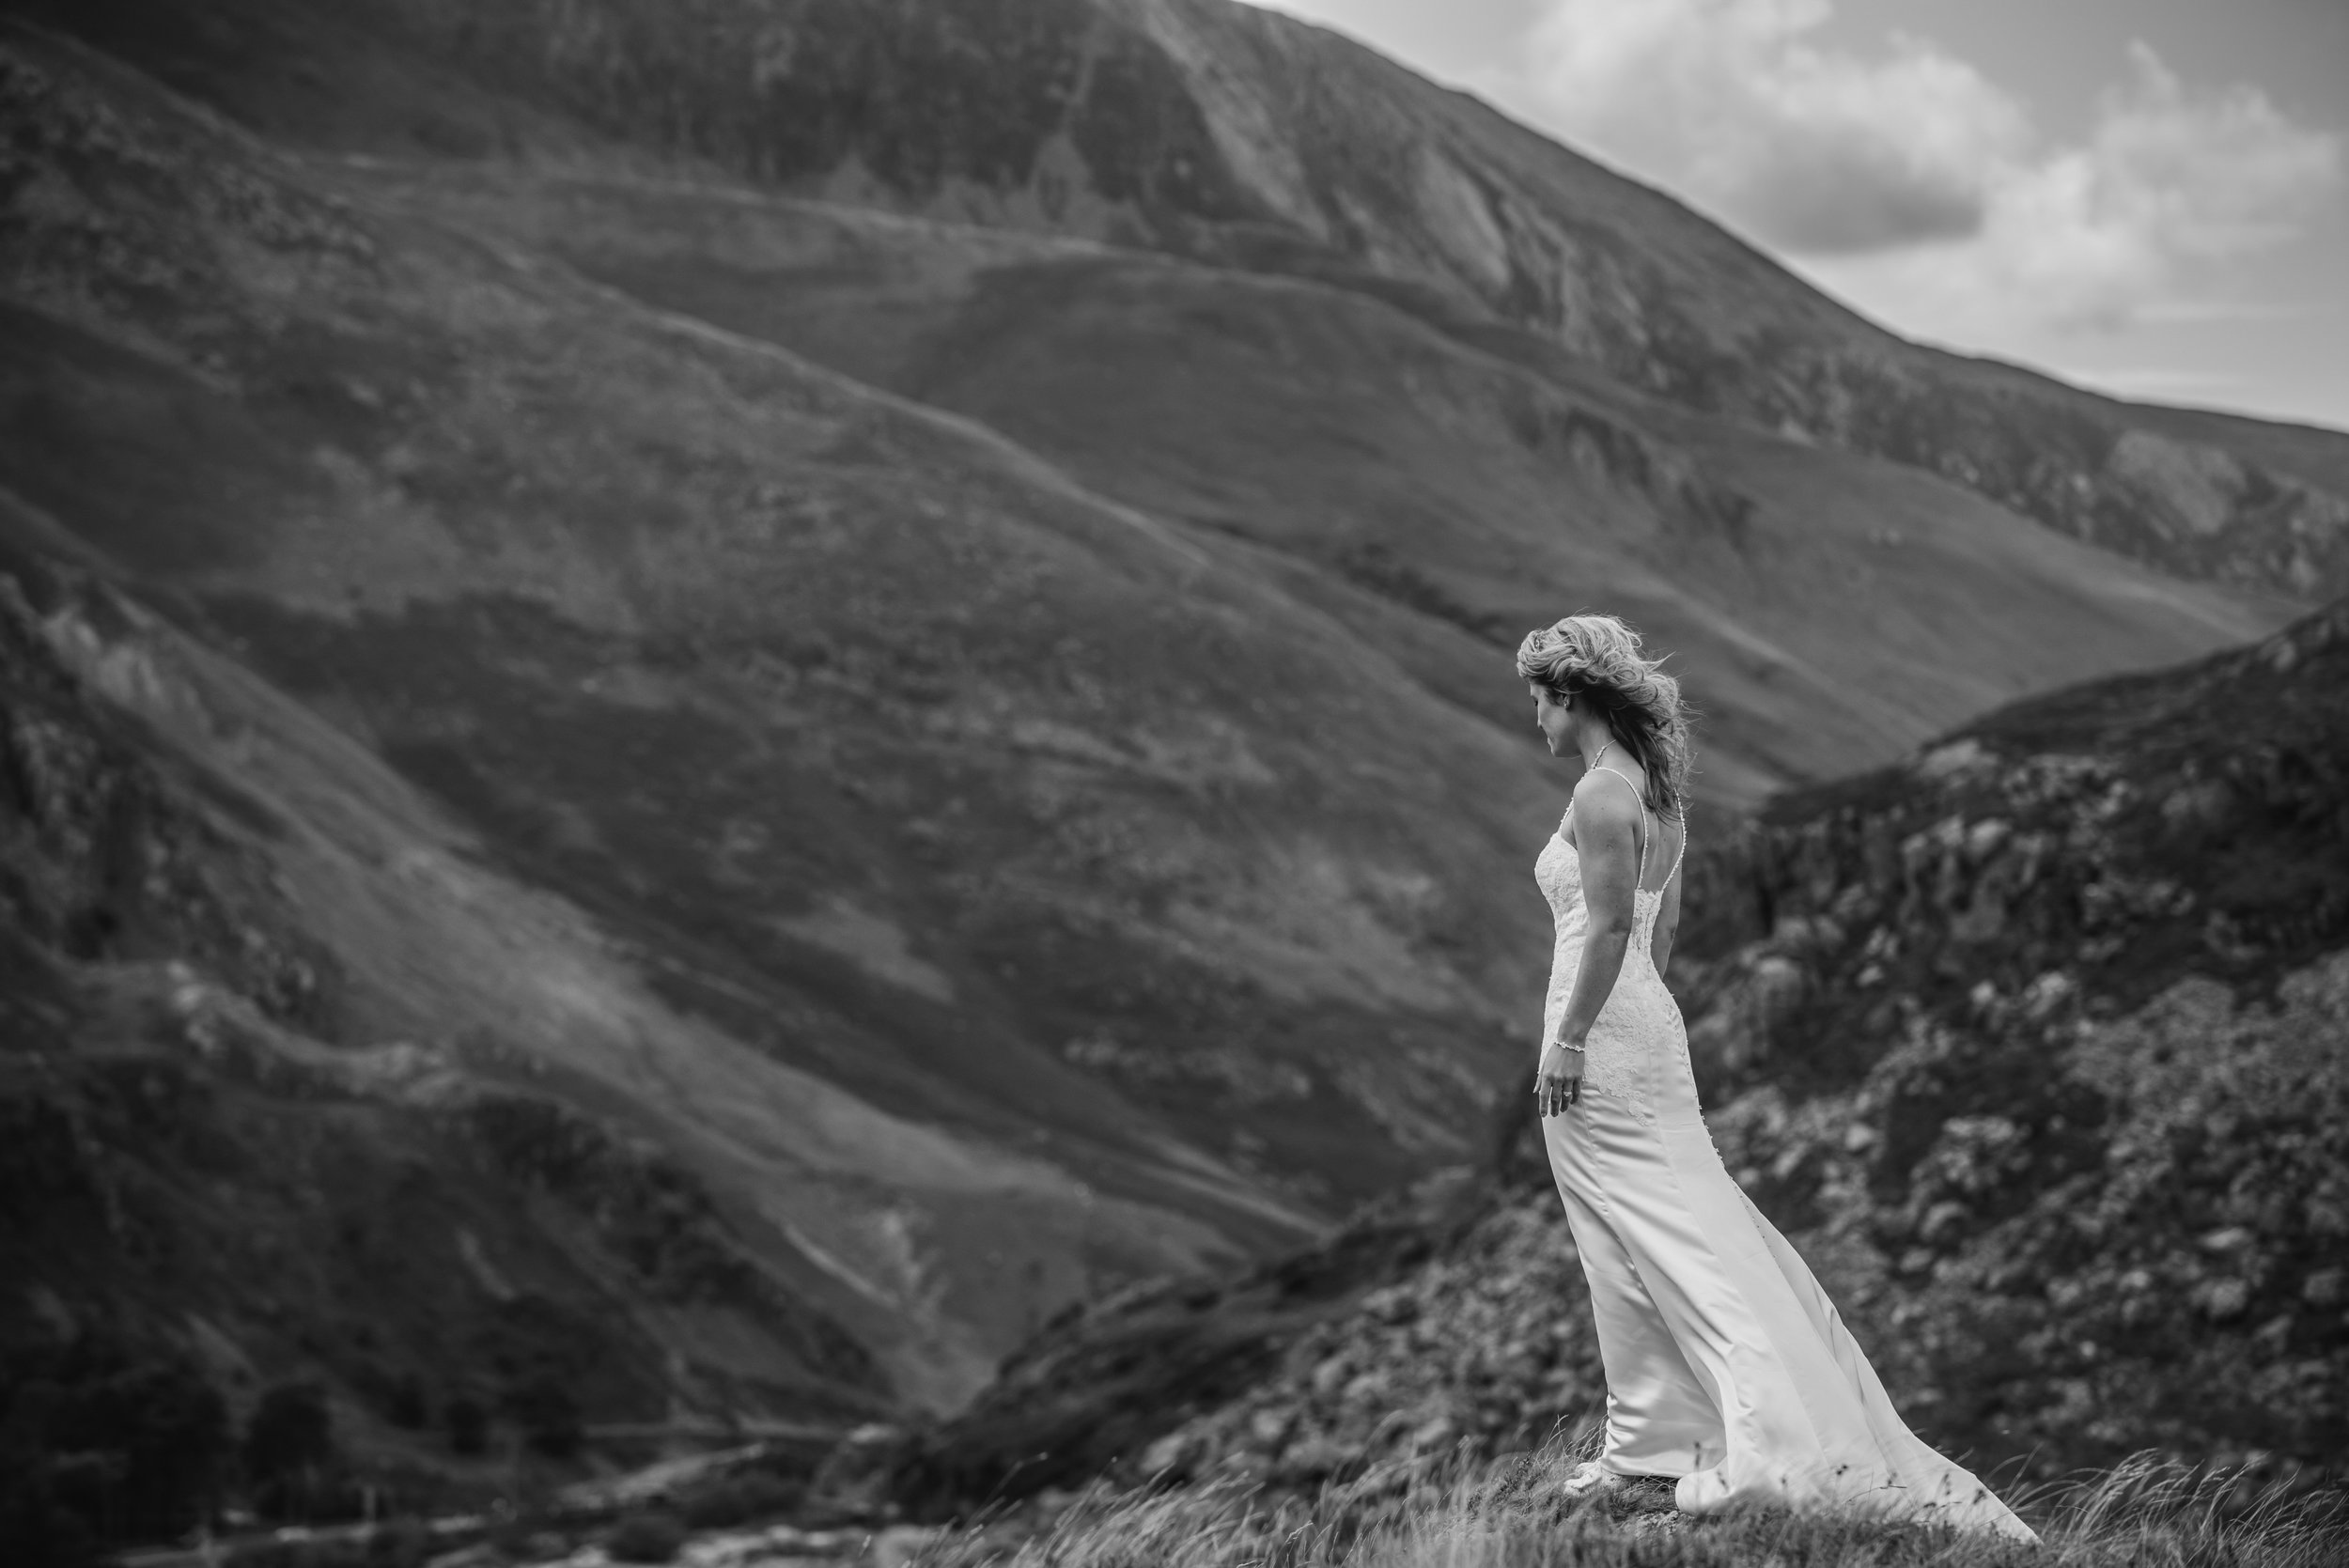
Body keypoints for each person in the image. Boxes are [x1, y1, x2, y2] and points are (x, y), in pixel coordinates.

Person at [1519, 613, 2035, 1541]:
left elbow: (1601, 930)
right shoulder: (1660, 798)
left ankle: (1698, 1437)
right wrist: (1631, 1019)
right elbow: (1657, 935)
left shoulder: (1601, 795)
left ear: (1572, 695)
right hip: (1643, 1026)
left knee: (1632, 1234)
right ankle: (1652, 1436)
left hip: (1595, 1034)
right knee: (1674, 1222)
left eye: (1538, 698)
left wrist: (1570, 1038)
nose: (1534, 718)